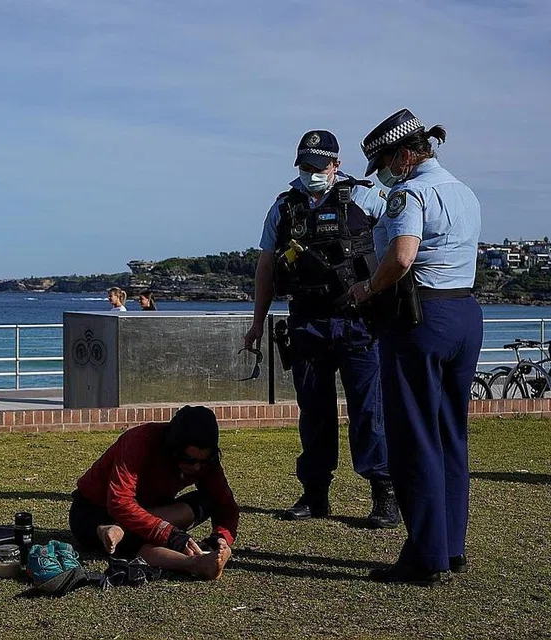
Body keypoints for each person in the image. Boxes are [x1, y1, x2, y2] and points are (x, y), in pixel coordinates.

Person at [350, 109, 482, 584]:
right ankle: (452, 546)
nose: (386, 171)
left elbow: (403, 255)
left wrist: (367, 290)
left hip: (420, 317)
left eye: (386, 160)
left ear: (405, 154)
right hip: (465, 312)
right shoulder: (464, 191)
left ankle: (425, 556)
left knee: (413, 438)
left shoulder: (410, 193)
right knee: (451, 434)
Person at [244, 130, 400, 529]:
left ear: (336, 164)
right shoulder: (283, 208)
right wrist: (258, 322)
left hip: (358, 321)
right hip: (307, 322)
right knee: (314, 411)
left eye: (318, 165)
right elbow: (266, 266)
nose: (311, 172)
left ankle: (384, 492)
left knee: (369, 409)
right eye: (305, 165)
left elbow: (400, 245)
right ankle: (315, 493)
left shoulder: (367, 198)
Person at [69, 405, 237, 580]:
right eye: (189, 459)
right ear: (173, 448)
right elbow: (119, 502)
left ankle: (121, 529)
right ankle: (194, 563)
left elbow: (224, 504)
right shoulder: (139, 441)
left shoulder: (206, 464)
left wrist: (221, 538)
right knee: (134, 539)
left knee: (206, 500)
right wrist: (170, 535)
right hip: (93, 513)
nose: (196, 467)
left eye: (204, 461)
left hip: (146, 512)